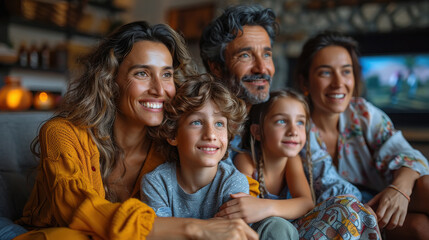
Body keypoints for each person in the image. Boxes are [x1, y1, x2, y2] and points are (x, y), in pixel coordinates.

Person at [12, 21, 258, 240]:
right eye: (142, 73)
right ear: (109, 80)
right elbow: (76, 210)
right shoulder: (62, 133)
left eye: (167, 74)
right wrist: (195, 228)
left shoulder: (169, 141)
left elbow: (235, 183)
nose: (159, 89)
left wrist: (256, 206)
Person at [200, 4, 381, 240]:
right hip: (233, 229)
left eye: (266, 54)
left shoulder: (287, 114)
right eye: (245, 55)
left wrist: (366, 209)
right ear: (217, 67)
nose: (262, 67)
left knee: (351, 208)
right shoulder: (204, 123)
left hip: (290, 223)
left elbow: (328, 181)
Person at [293, 30, 429, 239]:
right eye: (325, 72)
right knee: (419, 228)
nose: (339, 83)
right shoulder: (295, 126)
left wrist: (399, 190)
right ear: (304, 82)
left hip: (380, 204)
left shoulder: (362, 113)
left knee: (425, 187)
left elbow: (410, 155)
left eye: (346, 72)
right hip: (338, 215)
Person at [141, 74, 249, 219]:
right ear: (173, 135)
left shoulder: (234, 182)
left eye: (219, 124)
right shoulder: (156, 182)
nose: (211, 135)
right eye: (197, 122)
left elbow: (231, 233)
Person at [226, 89, 315, 219]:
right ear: (257, 132)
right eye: (282, 121)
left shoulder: (293, 160)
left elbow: (306, 203)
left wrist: (266, 207)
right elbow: (244, 206)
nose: (294, 131)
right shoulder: (246, 160)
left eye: (300, 122)